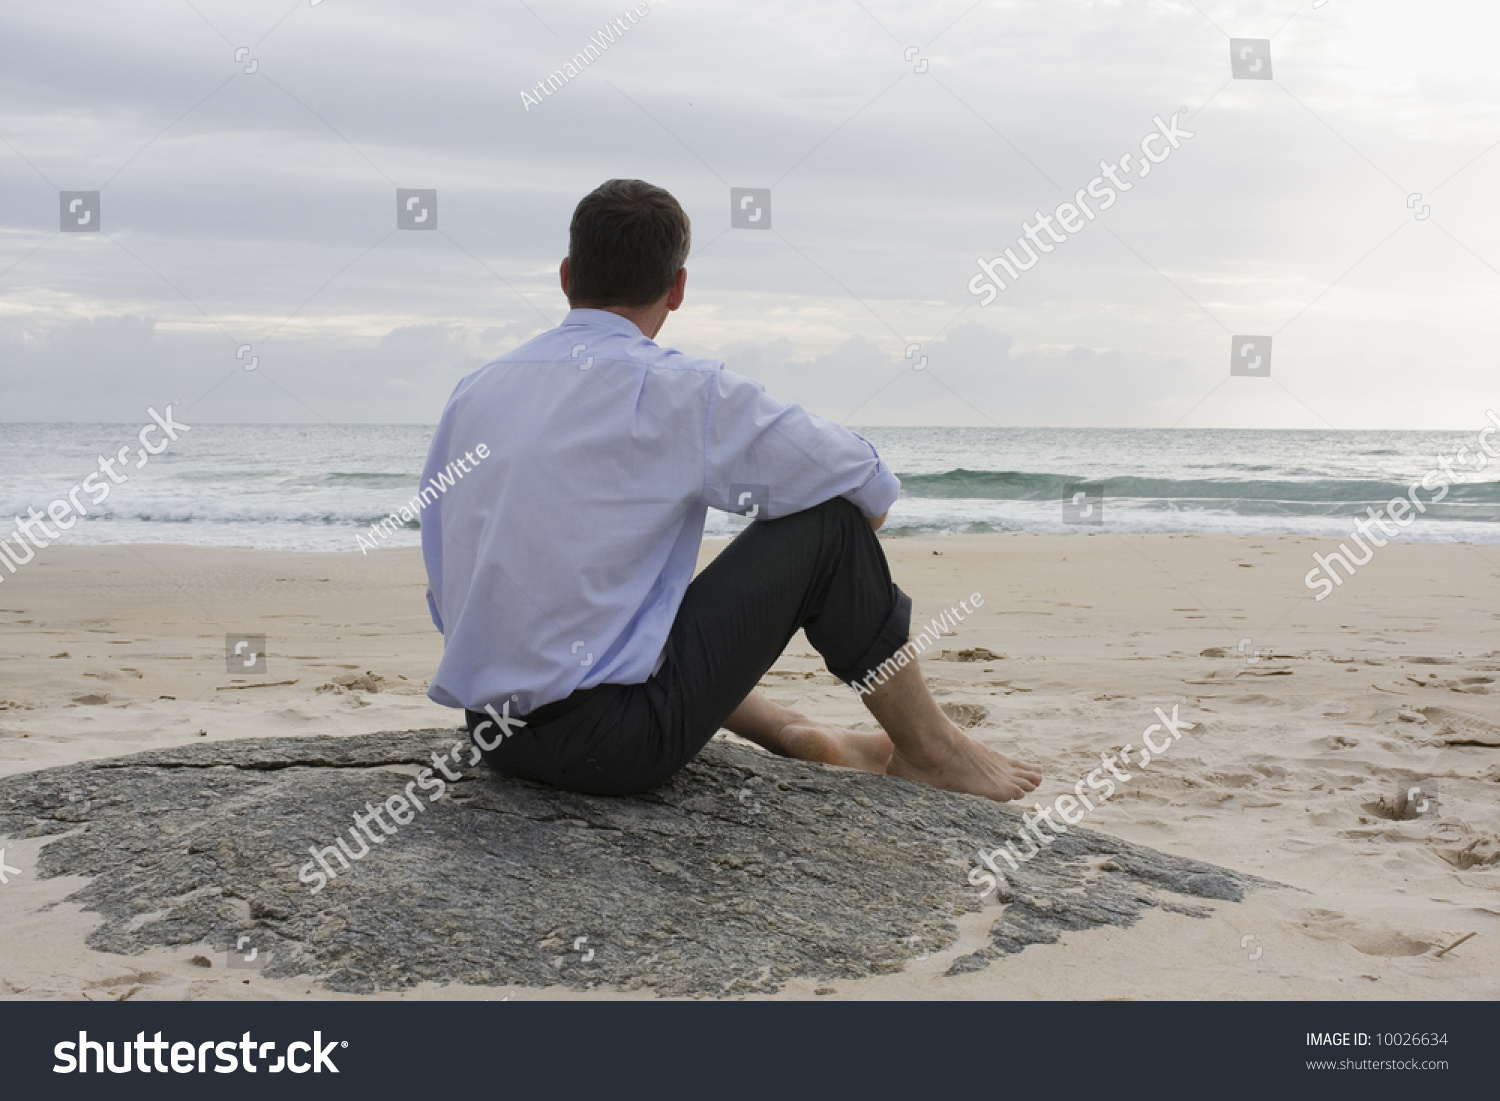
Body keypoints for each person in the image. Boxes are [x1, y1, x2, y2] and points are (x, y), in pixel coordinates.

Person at [420, 179, 1041, 803]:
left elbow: (447, 575)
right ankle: (935, 750)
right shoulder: (683, 390)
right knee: (827, 528)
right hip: (613, 751)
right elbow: (866, 485)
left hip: (494, 736)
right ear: (678, 288)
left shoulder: (476, 390)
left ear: (565, 276)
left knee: (615, 607)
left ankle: (789, 729)